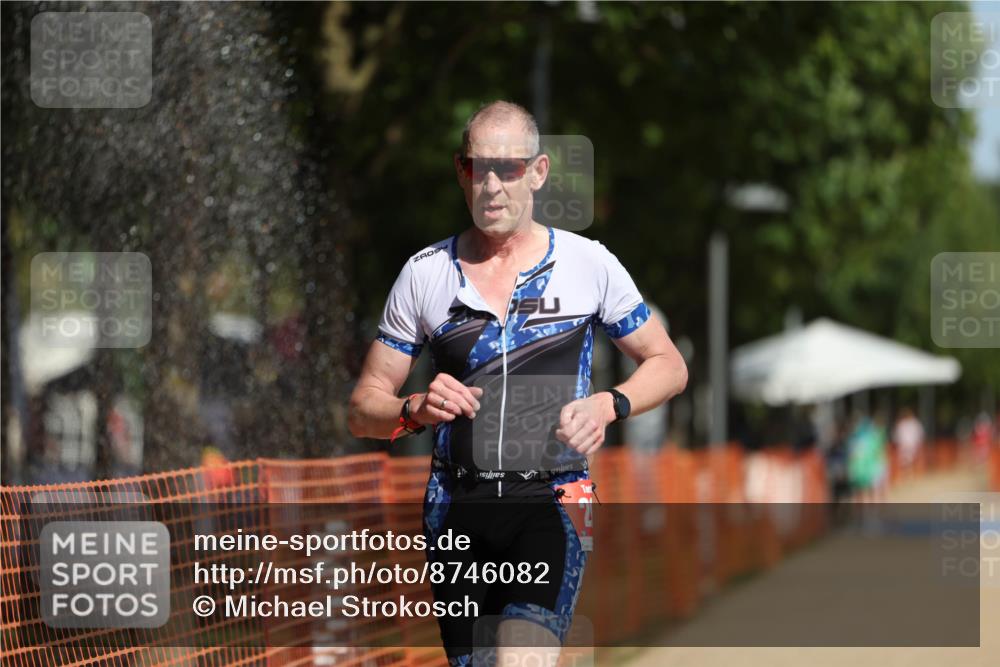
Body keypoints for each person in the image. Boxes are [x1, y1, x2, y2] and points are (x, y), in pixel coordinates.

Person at [347, 101, 687, 666]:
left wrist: (610, 403)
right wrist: (413, 407)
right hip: (457, 505)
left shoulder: (588, 264)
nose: (494, 185)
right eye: (480, 168)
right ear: (461, 171)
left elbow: (668, 364)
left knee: (521, 658)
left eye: (509, 168)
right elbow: (363, 408)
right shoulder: (425, 273)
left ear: (538, 172)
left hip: (552, 497)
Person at [891, 407, 925, 475]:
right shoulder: (901, 423)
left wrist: (918, 442)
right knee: (904, 460)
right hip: (904, 445)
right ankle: (906, 473)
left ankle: (910, 472)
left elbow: (919, 433)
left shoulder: (914, 423)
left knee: (910, 460)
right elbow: (897, 434)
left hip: (911, 444)